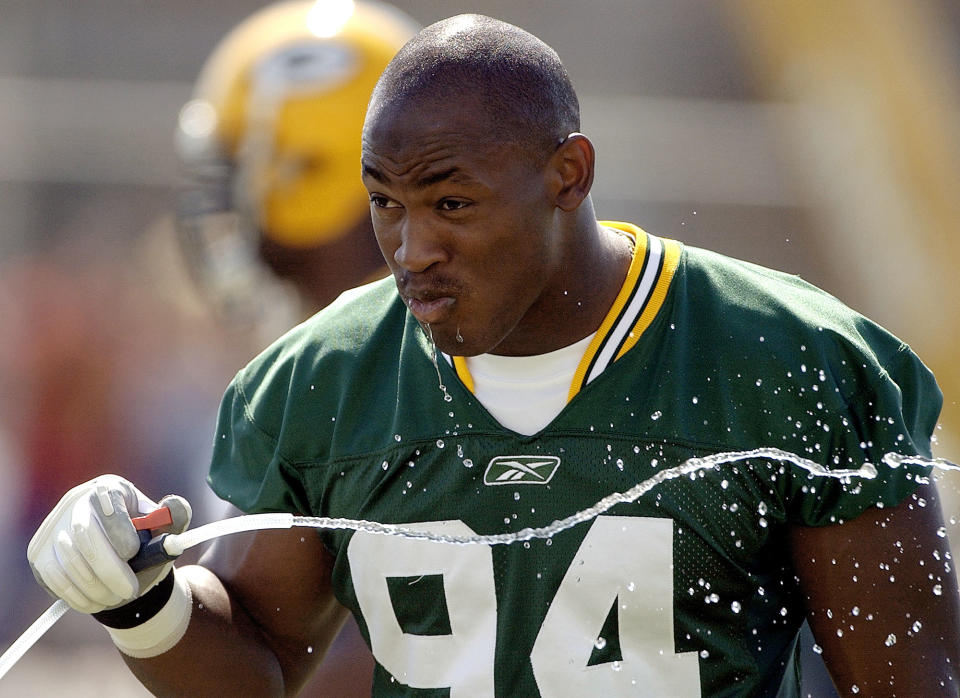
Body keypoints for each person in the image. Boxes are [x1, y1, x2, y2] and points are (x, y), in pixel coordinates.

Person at [26, 14, 960, 696]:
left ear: (569, 176)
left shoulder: (788, 359)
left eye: (452, 204)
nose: (412, 247)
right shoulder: (318, 381)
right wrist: (142, 604)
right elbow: (263, 669)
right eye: (385, 203)